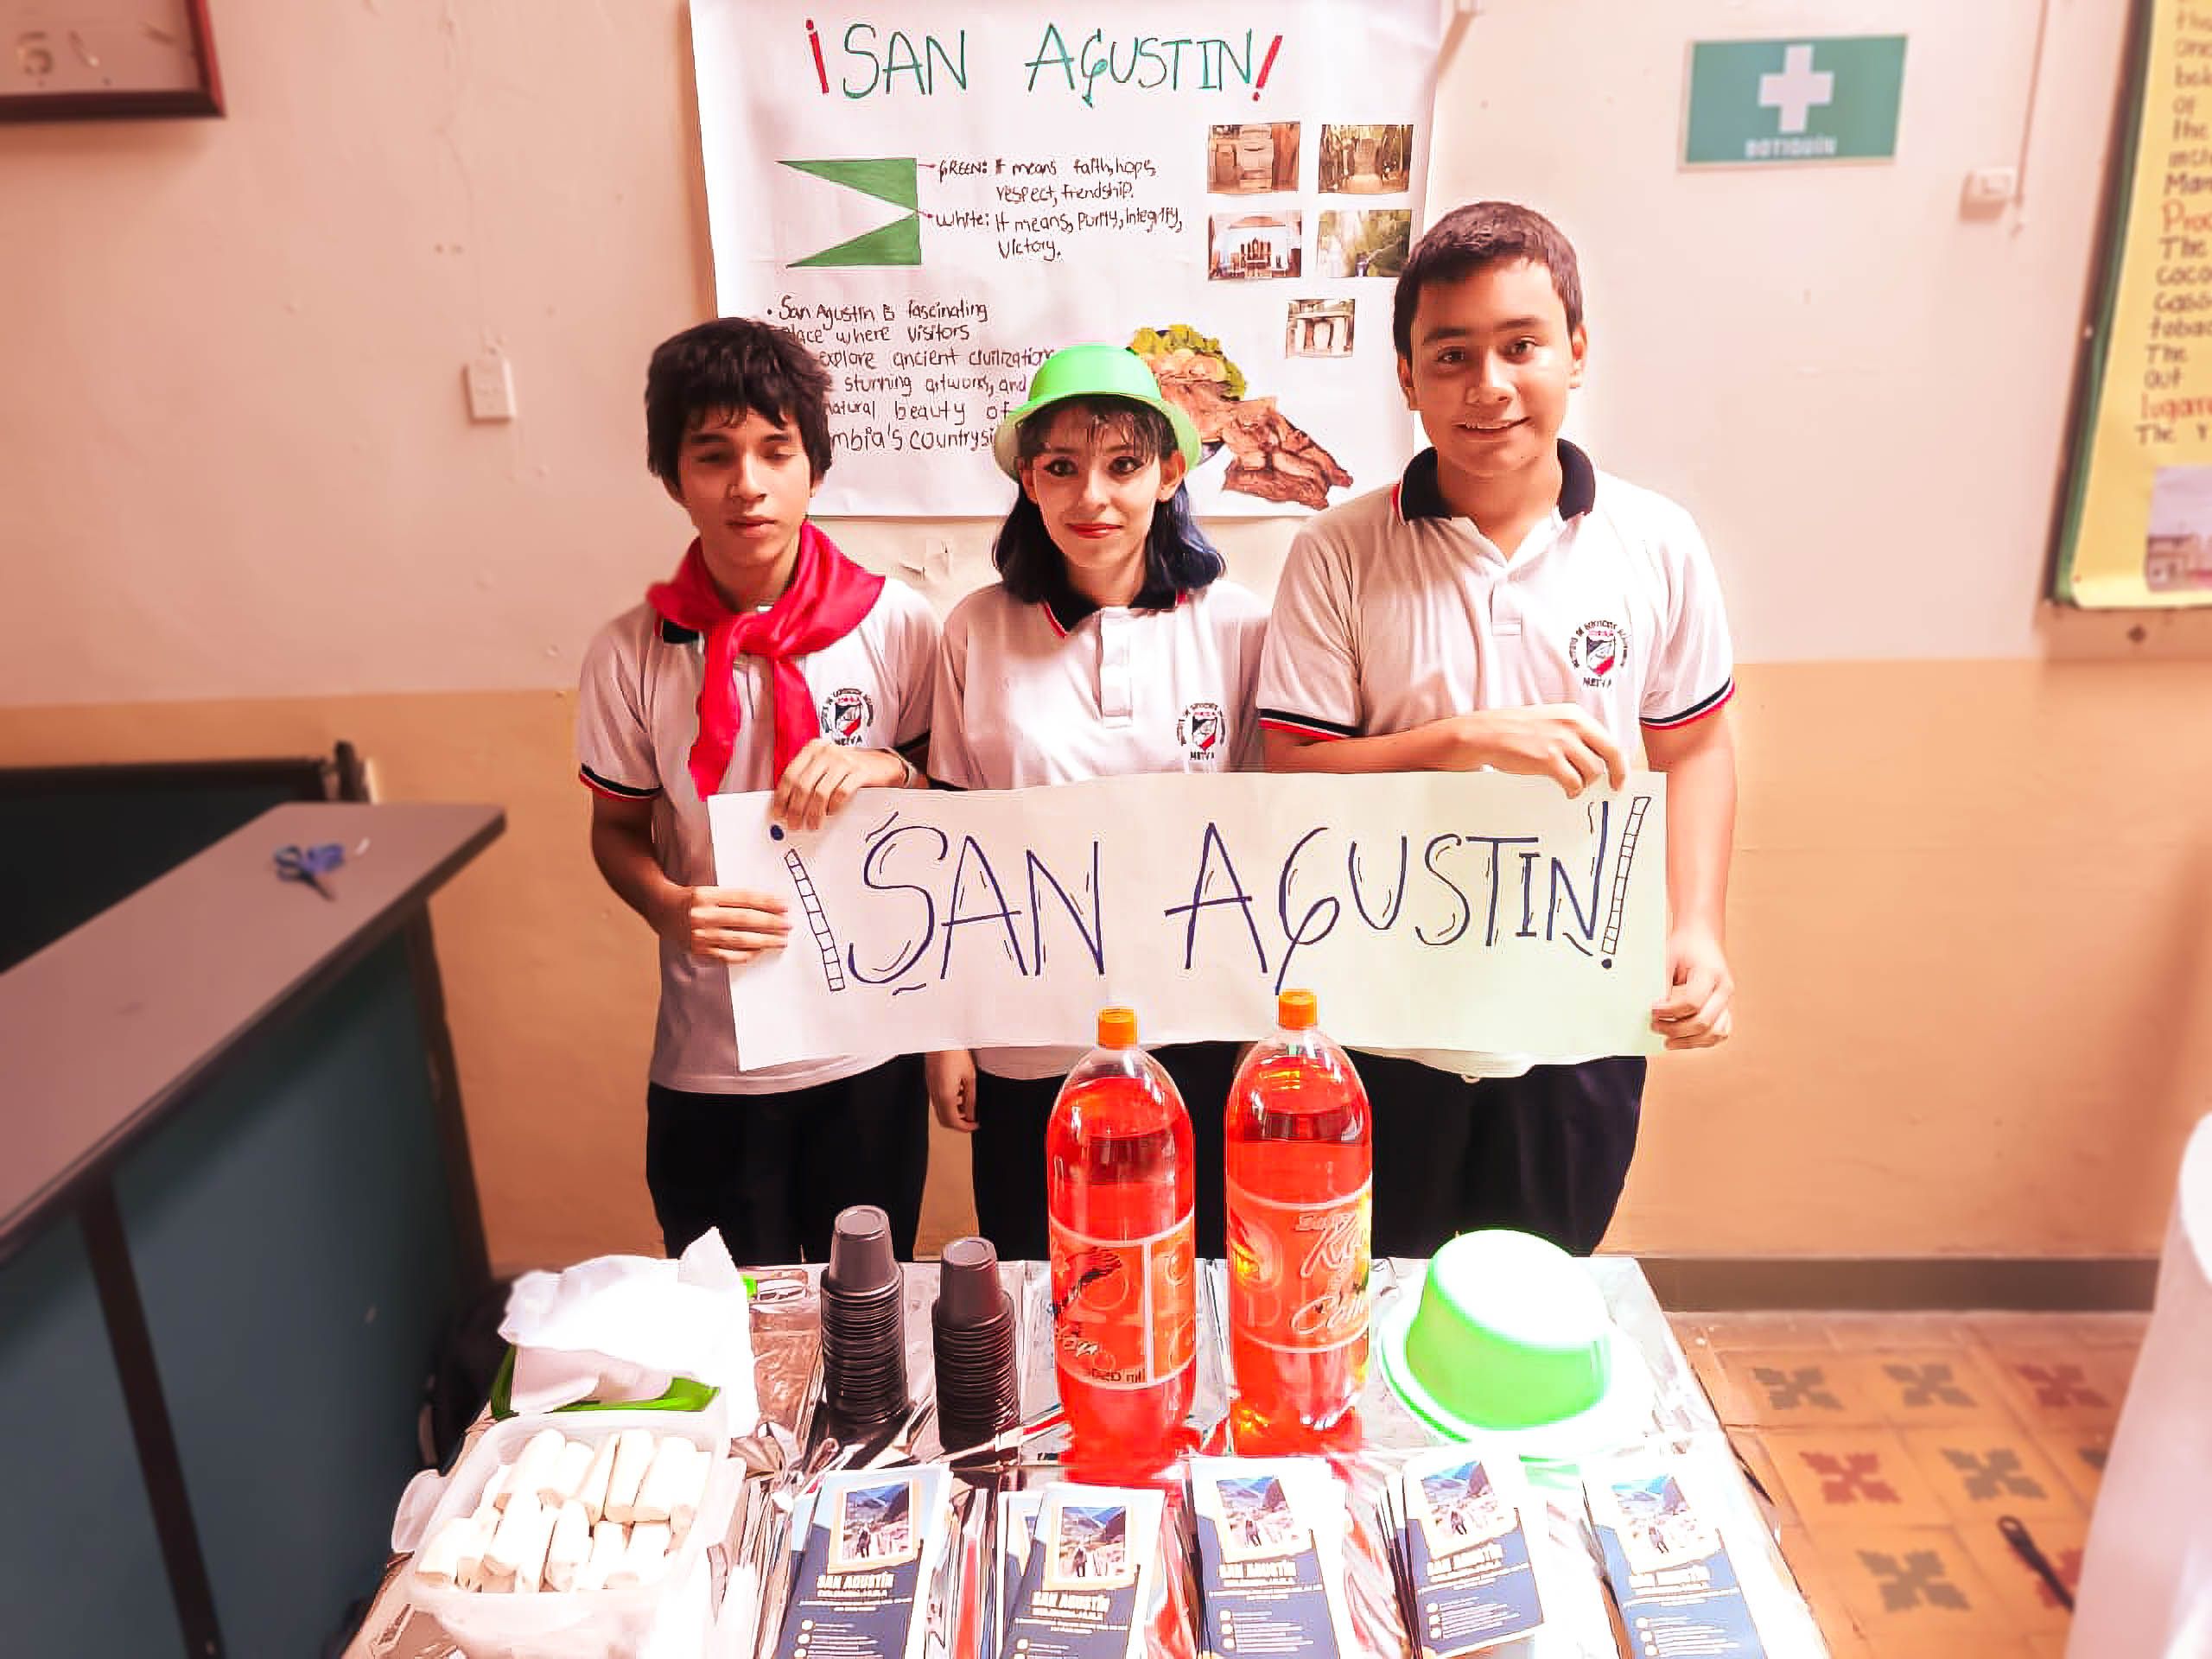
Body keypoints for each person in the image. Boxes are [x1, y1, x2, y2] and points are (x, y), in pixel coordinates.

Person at [1257, 201, 1738, 1258]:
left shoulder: (1654, 543)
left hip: (1577, 1014)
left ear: (1575, 349)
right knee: (1361, 1303)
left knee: (1534, 1304)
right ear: (1406, 377)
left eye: (1520, 346)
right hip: (1381, 1020)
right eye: (1451, 354)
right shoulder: (1339, 551)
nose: (1488, 386)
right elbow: (1288, 772)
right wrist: (1460, 739)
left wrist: (1693, 926)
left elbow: (1694, 744)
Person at [576, 317, 940, 1265]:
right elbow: (614, 828)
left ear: (813, 467)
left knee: (865, 1317)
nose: (746, 483)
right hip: (711, 1062)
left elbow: (955, 812)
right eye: (713, 456)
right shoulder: (632, 653)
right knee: (727, 1323)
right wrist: (668, 907)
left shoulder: (896, 624)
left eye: (775, 451)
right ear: (672, 478)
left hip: (868, 1054)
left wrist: (888, 766)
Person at [926, 344, 1267, 1260]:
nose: (1092, 499)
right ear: (1029, 483)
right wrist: (943, 1037)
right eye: (1062, 469)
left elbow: (1264, 843)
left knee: (1182, 1268)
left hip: (1186, 1026)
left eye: (1122, 466)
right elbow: (954, 853)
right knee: (1038, 1270)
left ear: (1168, 472)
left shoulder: (1237, 626)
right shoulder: (976, 630)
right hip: (1024, 1035)